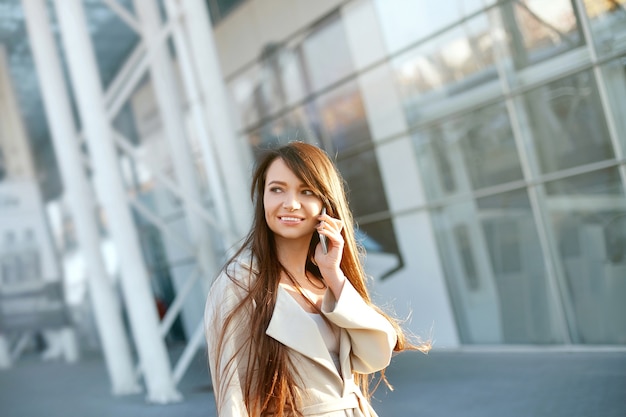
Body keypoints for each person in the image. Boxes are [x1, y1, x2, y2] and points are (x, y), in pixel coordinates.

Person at [204, 141, 429, 416]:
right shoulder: (240, 284)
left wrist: (334, 275)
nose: (290, 204)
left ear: (325, 203)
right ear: (262, 197)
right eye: (276, 189)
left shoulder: (326, 282)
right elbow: (233, 398)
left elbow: (377, 352)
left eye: (306, 191)